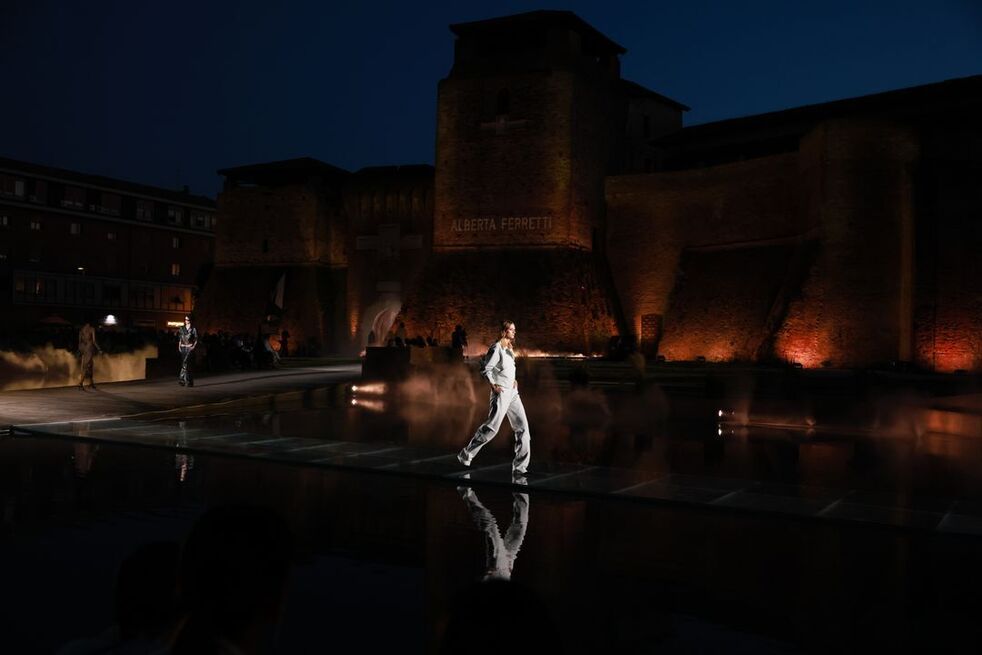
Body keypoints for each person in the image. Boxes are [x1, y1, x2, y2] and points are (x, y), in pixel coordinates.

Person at [458, 320, 531, 478]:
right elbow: (486, 369)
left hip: (513, 392)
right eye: (511, 329)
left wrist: (514, 380)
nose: (514, 332)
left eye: (514, 329)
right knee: (492, 428)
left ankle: (520, 467)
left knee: (523, 429)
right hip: (502, 392)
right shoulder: (496, 348)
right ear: (504, 331)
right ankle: (466, 454)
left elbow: (508, 369)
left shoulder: (509, 349)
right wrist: (493, 385)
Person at [77, 321, 101, 390]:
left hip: (84, 349)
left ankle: (91, 382)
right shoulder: (92, 329)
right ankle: (80, 383)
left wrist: (80, 350)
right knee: (86, 367)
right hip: (89, 349)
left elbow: (79, 342)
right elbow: (94, 341)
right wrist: (99, 349)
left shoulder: (81, 330)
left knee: (90, 366)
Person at [178, 315, 198, 387]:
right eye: (185, 319)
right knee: (185, 364)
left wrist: (193, 346)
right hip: (183, 347)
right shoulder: (181, 328)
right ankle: (187, 381)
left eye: (188, 320)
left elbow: (196, 339)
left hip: (189, 348)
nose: (186, 321)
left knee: (186, 363)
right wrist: (179, 346)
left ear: (191, 320)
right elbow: (180, 338)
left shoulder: (193, 329)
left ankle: (183, 380)